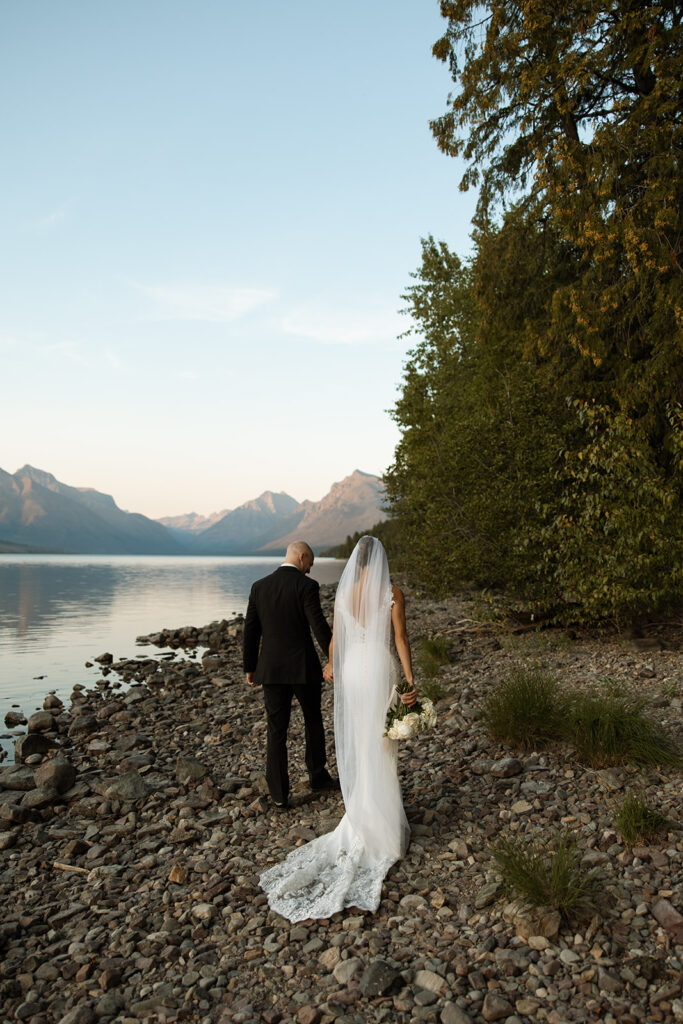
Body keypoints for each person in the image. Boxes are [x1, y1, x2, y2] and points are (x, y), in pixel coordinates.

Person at [259, 535, 417, 921]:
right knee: (381, 743)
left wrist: (331, 666)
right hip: (378, 668)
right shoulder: (391, 593)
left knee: (362, 743)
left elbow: (336, 639)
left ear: (357, 565)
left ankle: (361, 816)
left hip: (353, 671)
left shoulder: (345, 594)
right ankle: (383, 825)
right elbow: (400, 638)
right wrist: (411, 681)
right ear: (380, 561)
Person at [243, 540, 339, 809]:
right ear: (302, 556)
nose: (310, 567)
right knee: (313, 721)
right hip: (303, 668)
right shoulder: (306, 586)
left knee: (276, 731)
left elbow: (250, 630)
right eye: (310, 562)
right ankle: (317, 777)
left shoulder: (259, 587)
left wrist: (250, 667)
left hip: (271, 670)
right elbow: (318, 625)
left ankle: (278, 794)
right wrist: (334, 658)